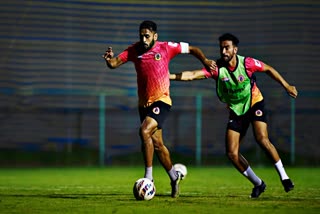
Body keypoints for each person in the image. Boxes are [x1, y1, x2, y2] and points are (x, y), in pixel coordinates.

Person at [170, 33, 297, 198]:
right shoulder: (217, 69)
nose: (223, 51)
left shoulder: (247, 63)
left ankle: (284, 177)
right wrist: (170, 76)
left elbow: (268, 69)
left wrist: (286, 85)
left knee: (262, 139)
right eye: (221, 47)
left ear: (235, 49)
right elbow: (192, 75)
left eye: (227, 47)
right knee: (232, 153)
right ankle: (258, 183)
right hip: (237, 111)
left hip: (254, 103)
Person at [102, 20, 216, 198]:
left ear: (155, 36)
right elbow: (115, 63)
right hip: (144, 104)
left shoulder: (166, 47)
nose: (144, 38)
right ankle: (173, 177)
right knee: (158, 145)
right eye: (141, 35)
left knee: (144, 131)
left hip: (162, 100)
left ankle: (149, 178)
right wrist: (109, 60)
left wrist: (206, 60)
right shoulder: (134, 50)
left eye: (147, 35)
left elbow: (193, 49)